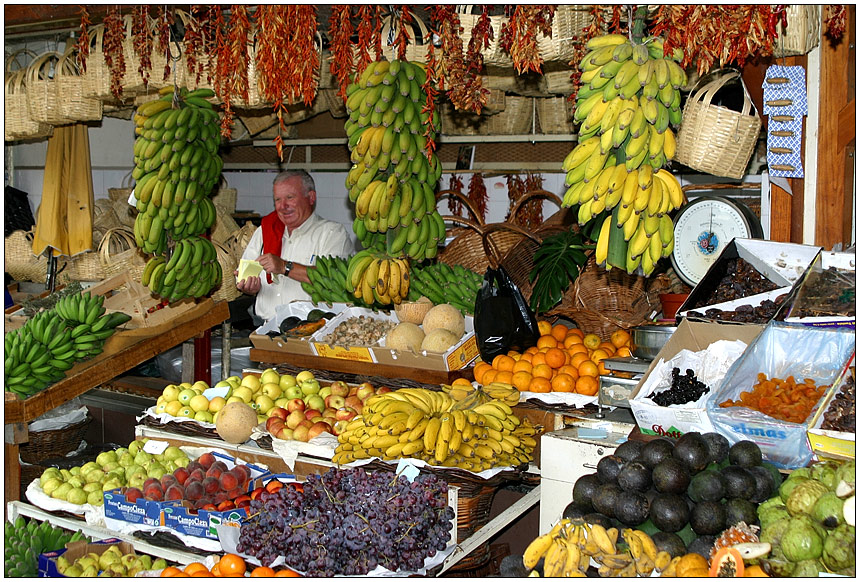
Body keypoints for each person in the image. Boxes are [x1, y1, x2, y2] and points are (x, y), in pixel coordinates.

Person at [236, 170, 353, 324]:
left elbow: (332, 281)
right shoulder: (265, 231)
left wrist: (285, 266)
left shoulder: (332, 233)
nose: (283, 206)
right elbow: (245, 276)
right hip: (265, 328)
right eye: (277, 199)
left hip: (312, 330)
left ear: (311, 197)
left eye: (290, 198)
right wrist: (249, 287)